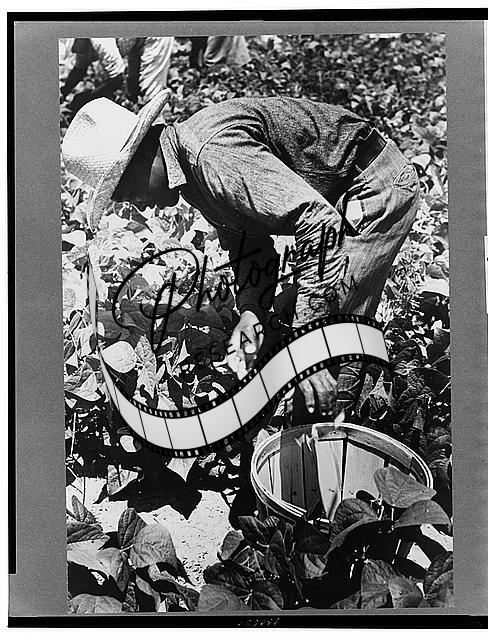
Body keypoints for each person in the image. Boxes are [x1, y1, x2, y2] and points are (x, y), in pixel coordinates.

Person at [62, 90, 420, 419]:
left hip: (373, 185)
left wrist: (307, 345)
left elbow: (317, 221)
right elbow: (249, 245)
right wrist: (251, 312)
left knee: (328, 344)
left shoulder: (211, 154)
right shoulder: (193, 176)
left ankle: (333, 451)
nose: (141, 206)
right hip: (336, 194)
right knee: (299, 333)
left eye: (128, 192)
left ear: (142, 158)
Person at [60, 37, 173, 114]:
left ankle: (159, 128)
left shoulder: (100, 41)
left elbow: (118, 79)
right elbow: (80, 69)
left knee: (151, 92)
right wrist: (63, 93)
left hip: (154, 37)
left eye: (74, 47)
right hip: (136, 40)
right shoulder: (82, 46)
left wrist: (89, 98)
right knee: (134, 87)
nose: (75, 51)